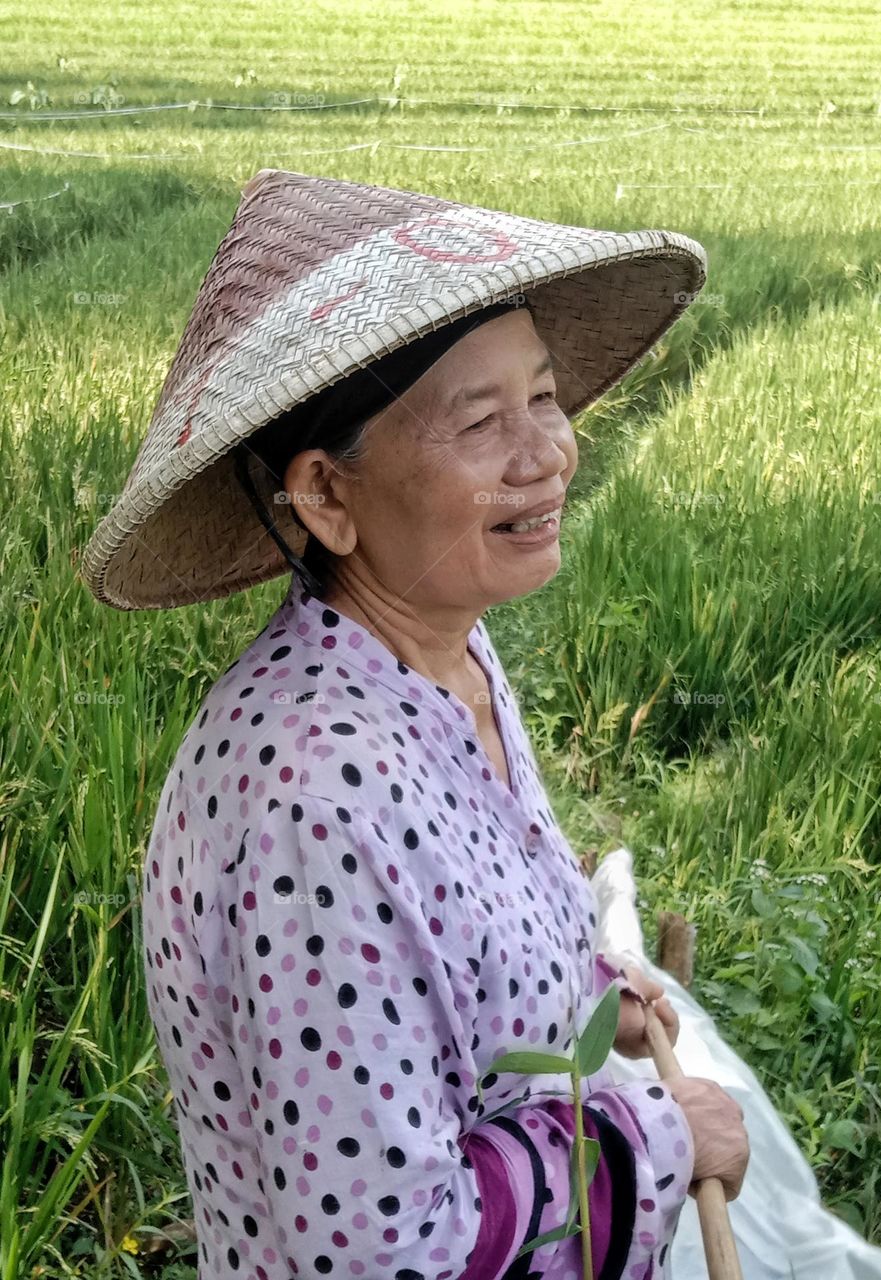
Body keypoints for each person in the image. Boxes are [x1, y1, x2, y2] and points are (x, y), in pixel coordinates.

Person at [82, 169, 748, 1278]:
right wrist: (662, 1138)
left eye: (542, 396)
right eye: (481, 419)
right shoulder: (310, 801)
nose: (546, 452)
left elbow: (445, 963)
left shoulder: (448, 648)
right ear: (328, 498)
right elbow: (387, 1251)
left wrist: (581, 995)